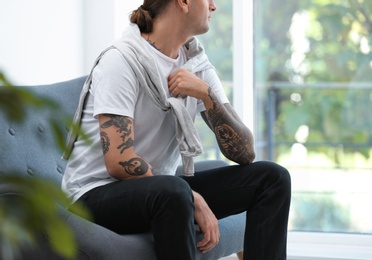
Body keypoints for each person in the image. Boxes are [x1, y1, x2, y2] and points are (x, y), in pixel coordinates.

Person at [61, 0, 291, 259]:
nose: (214, 7)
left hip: (161, 191)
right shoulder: (121, 61)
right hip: (94, 195)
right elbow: (118, 161)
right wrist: (194, 197)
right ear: (182, 2)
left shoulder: (196, 64)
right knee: (176, 192)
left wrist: (208, 96)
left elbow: (245, 153)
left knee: (272, 178)